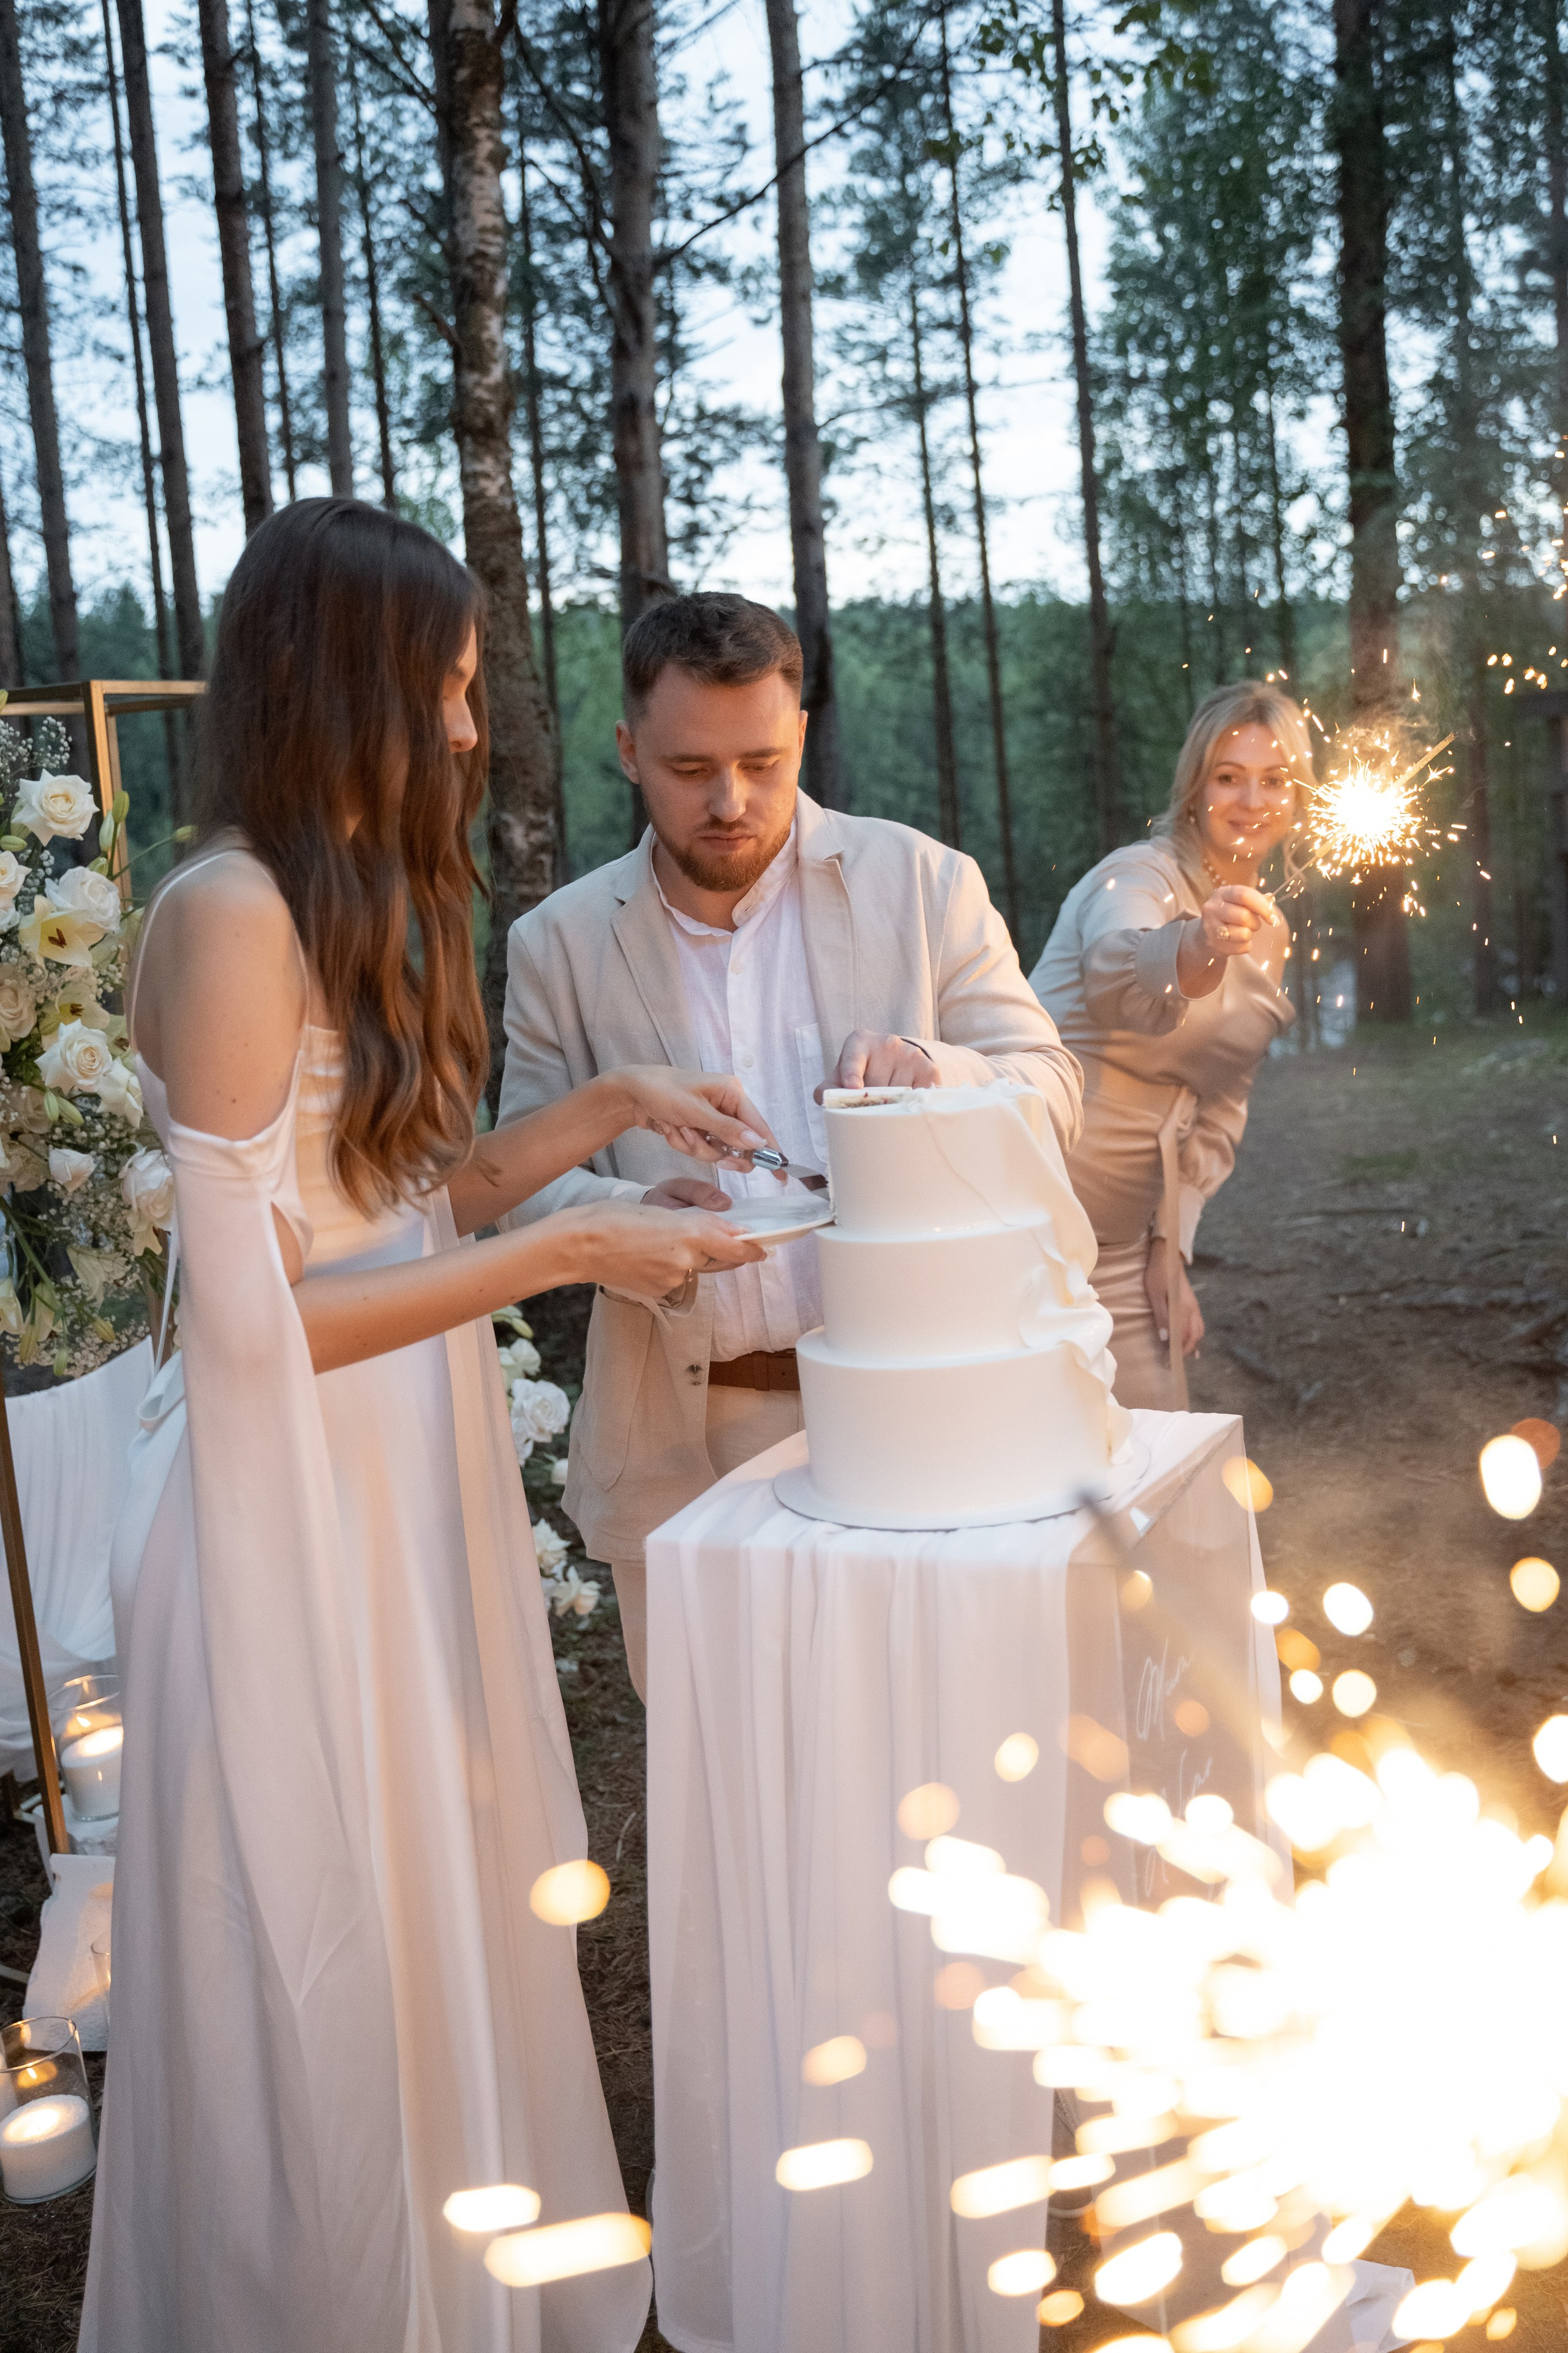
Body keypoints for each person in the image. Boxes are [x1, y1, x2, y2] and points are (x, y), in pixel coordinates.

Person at [81, 502, 777, 2353]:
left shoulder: (331, 903)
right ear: (356, 690)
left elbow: (409, 1201)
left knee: (440, 1912)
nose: (471, 731)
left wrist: (608, 1108)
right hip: (274, 1505)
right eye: (452, 690)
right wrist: (566, 1246)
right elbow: (256, 1321)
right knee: (320, 1946)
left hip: (397, 1484)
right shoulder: (226, 914)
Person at [497, 592, 1083, 1698]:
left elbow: (1053, 1091)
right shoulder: (560, 943)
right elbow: (517, 1173)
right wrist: (616, 1219)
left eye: (762, 762)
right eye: (689, 769)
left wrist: (940, 1067)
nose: (730, 801)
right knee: (721, 1776)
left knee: (928, 1732)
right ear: (627, 750)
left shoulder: (924, 882)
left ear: (802, 731)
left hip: (917, 1405)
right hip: (678, 1426)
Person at [1030, 681, 1307, 1410]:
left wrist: (1170, 1249)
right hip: (1019, 1235)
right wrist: (1197, 944)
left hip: (1125, 1253)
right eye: (1228, 776)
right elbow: (1115, 970)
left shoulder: (1271, 932)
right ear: (1193, 787)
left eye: (1273, 779)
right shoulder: (1135, 874)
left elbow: (1219, 1103)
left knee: (1159, 1473)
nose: (1251, 800)